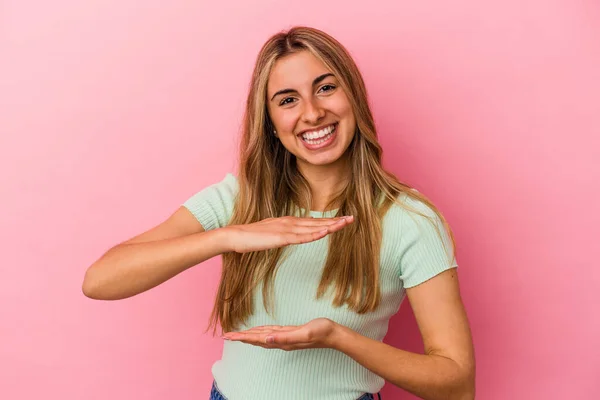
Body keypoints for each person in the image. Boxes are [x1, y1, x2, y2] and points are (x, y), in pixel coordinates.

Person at [82, 26, 475, 400]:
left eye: (325, 88)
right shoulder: (238, 198)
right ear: (270, 123)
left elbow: (457, 385)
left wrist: (338, 338)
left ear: (353, 96)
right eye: (288, 100)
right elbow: (100, 280)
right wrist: (226, 237)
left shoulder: (410, 220)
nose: (312, 112)